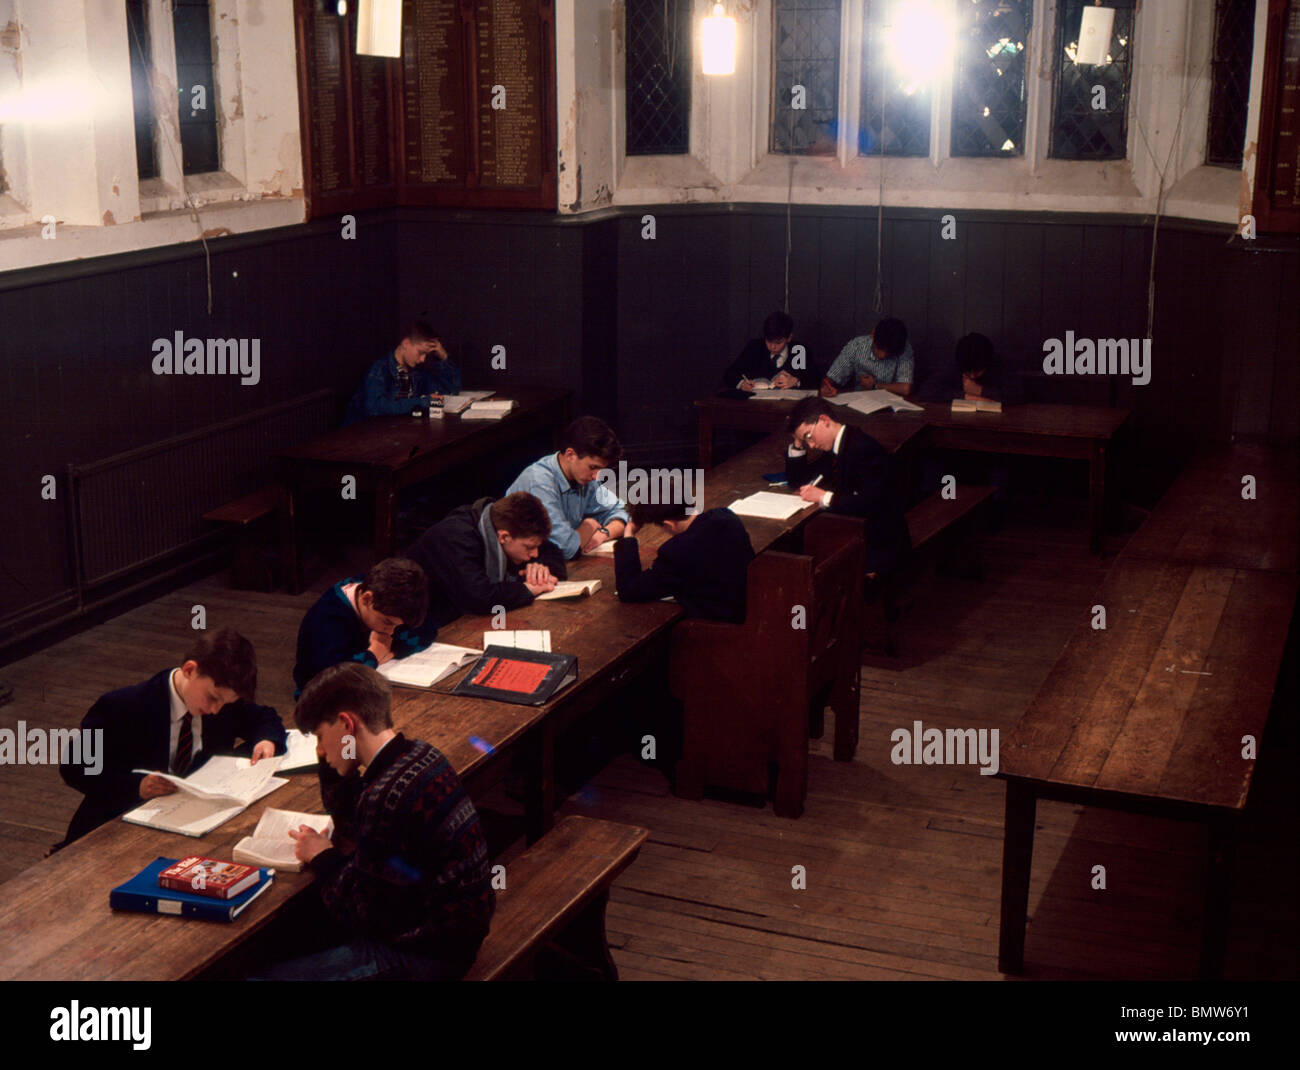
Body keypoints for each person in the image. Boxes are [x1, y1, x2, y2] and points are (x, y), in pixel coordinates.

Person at [256, 663, 494, 980]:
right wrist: (335, 763)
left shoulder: (387, 795)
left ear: (346, 723)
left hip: (428, 954)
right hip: (458, 933)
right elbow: (356, 822)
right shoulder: (421, 754)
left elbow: (362, 915)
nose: (321, 752)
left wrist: (321, 856)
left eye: (320, 737)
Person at [55, 628, 286, 849]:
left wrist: (266, 740)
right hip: (118, 826)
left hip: (191, 822)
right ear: (189, 670)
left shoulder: (223, 702)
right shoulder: (120, 706)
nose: (216, 710)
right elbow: (74, 769)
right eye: (212, 698)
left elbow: (264, 717)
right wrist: (137, 786)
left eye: (225, 703)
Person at [402, 491, 568, 631]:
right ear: (504, 536)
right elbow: (479, 597)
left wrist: (540, 568)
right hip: (422, 625)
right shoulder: (455, 538)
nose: (534, 554)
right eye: (529, 548)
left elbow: (554, 552)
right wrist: (528, 589)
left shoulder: (510, 523)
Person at [785, 397, 911, 579]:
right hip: (860, 530)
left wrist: (824, 497)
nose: (810, 445)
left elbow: (871, 504)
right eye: (805, 441)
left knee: (804, 555)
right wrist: (797, 442)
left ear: (824, 420)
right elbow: (799, 481)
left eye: (808, 437)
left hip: (881, 543)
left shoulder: (862, 448)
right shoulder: (839, 444)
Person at [293, 557, 431, 697]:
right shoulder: (326, 621)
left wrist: (390, 651)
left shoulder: (385, 598)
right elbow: (332, 680)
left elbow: (427, 631)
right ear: (366, 598)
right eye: (387, 623)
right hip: (319, 699)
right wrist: (373, 656)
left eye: (397, 626)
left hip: (365, 686)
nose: (391, 631)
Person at [505, 416, 629, 559]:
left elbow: (622, 511)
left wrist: (603, 533)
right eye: (593, 467)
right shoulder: (540, 483)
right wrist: (589, 525)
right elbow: (565, 548)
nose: (597, 476)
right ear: (570, 454)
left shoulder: (585, 477)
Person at [614, 501, 755, 622]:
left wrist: (628, 534)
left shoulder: (676, 552)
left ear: (669, 524)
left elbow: (629, 591)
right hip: (750, 605)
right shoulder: (726, 516)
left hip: (718, 625)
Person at [343, 320, 462, 425]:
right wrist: (421, 402)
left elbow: (450, 392)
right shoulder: (380, 370)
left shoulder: (418, 371)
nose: (423, 359)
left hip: (400, 433)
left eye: (426, 354)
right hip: (366, 437)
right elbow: (375, 408)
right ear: (406, 343)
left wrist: (443, 356)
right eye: (421, 353)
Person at [720, 310, 811, 395]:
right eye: (769, 341)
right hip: (756, 406)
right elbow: (730, 374)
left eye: (778, 342)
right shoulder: (755, 347)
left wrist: (796, 381)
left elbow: (812, 379)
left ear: (789, 338)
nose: (773, 346)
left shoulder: (798, 350)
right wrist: (741, 383)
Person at [821, 316, 915, 398]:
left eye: (889, 354)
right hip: (860, 402)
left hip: (892, 405)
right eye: (879, 348)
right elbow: (832, 377)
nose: (882, 356)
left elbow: (905, 388)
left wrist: (875, 386)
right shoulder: (857, 346)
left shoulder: (904, 349)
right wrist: (826, 387)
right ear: (872, 335)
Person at [917, 332, 1022, 405]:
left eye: (977, 371)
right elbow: (926, 391)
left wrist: (980, 391)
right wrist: (967, 396)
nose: (972, 376)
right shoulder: (958, 362)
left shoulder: (1000, 364)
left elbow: (1018, 395)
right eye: (968, 372)